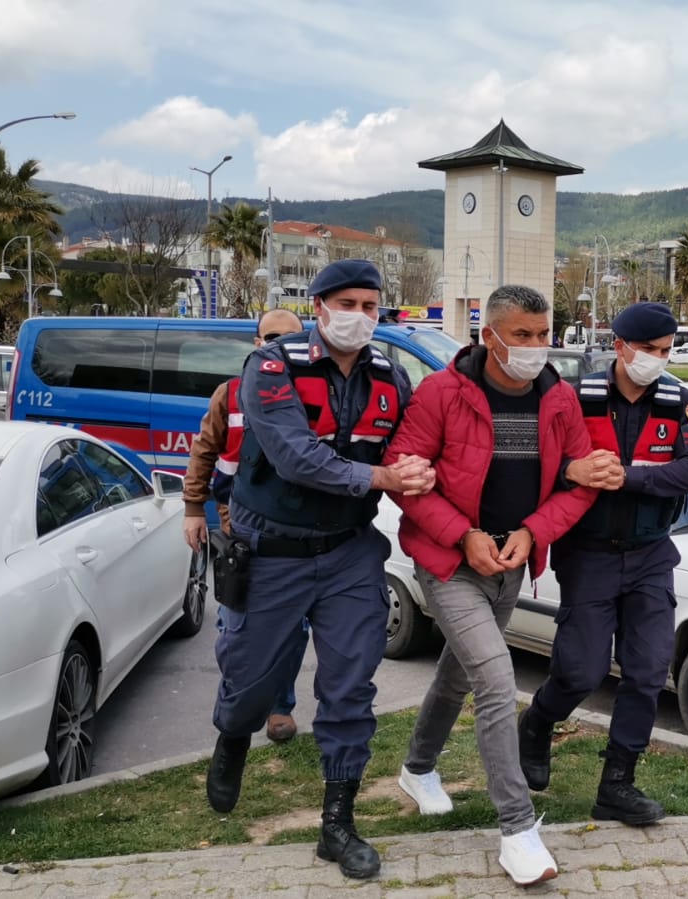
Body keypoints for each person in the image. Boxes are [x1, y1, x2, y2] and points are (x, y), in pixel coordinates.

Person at [205, 259, 436, 882]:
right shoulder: (272, 365)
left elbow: (410, 444)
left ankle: (338, 824)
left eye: (371, 305)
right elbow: (291, 454)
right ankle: (232, 737)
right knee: (251, 680)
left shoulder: (391, 374)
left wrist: (421, 471)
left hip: (347, 552)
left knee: (350, 687)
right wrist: (381, 477)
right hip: (271, 551)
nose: (362, 316)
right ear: (319, 306)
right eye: (349, 303)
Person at [384, 284, 597, 887]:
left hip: (511, 562)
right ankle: (518, 830)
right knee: (497, 681)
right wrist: (462, 536)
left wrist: (531, 533)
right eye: (522, 336)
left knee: (458, 674)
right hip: (449, 564)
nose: (535, 347)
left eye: (541, 334)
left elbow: (578, 482)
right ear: (489, 337)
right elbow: (405, 478)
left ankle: (418, 768)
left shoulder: (558, 398)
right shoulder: (441, 394)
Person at [520, 301, 688, 827]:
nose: (658, 360)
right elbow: (539, 462)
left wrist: (628, 477)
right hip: (589, 555)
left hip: (651, 556)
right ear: (620, 346)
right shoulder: (574, 398)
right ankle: (536, 725)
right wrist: (574, 469)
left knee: (648, 671)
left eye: (666, 351)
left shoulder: (680, 403)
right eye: (649, 350)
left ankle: (617, 785)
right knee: (579, 671)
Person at [182, 308, 307, 744]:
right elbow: (203, 452)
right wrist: (193, 509)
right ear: (256, 343)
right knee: (234, 622)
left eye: (288, 337)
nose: (278, 345)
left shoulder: (311, 391)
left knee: (293, 626)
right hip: (237, 525)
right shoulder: (229, 393)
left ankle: (279, 706)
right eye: (269, 336)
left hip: (293, 529)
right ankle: (237, 700)